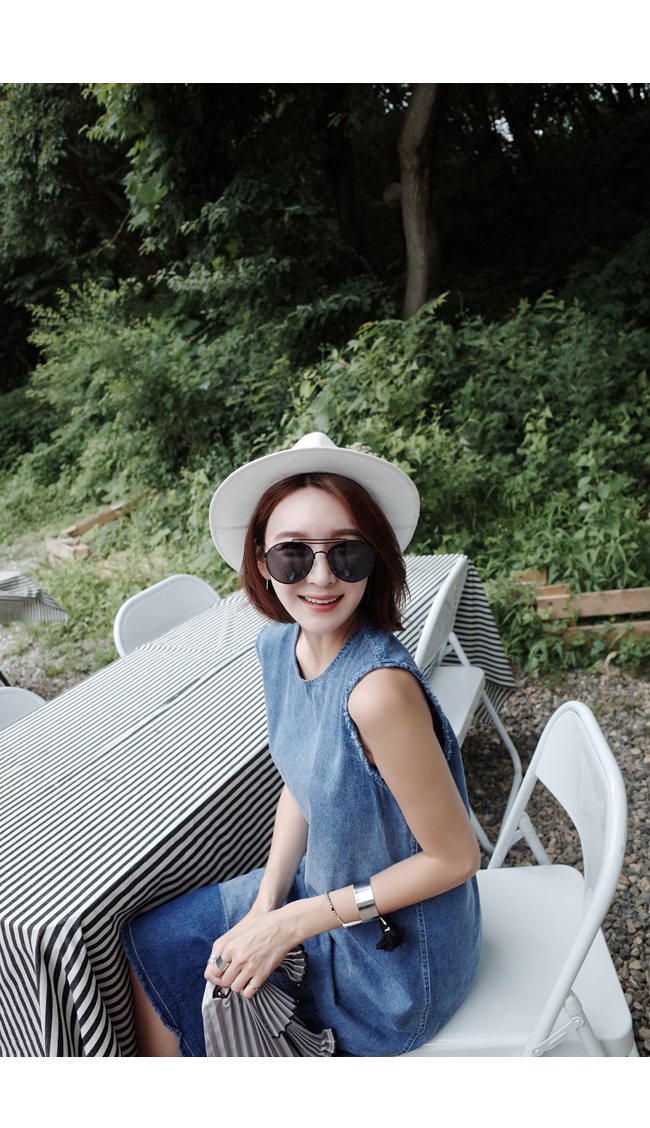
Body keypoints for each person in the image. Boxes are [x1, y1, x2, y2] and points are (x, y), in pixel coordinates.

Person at [121, 432, 482, 1057]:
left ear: (375, 560)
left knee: (215, 975)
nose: (320, 577)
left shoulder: (377, 692)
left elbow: (455, 858)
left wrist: (290, 922)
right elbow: (301, 782)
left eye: (346, 553)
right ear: (262, 563)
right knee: (155, 941)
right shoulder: (276, 646)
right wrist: (266, 903)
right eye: (293, 554)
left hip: (395, 961)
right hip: (324, 896)